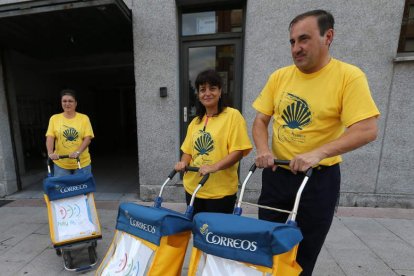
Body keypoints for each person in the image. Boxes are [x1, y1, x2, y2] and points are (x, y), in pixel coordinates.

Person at [252, 10, 380, 276]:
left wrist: (317, 153)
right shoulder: (279, 77)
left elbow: (367, 129)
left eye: (304, 39)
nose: (296, 48)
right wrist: (263, 150)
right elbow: (260, 120)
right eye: (292, 42)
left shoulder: (348, 76)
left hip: (318, 180)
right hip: (277, 175)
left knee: (304, 255)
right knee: (266, 246)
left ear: (328, 36)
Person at [175, 69, 252, 215]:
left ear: (220, 91)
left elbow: (238, 151)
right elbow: (187, 152)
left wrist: (214, 167)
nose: (207, 93)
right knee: (198, 231)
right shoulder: (195, 122)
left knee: (217, 235)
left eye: (212, 88)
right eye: (202, 90)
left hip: (220, 192)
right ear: (198, 95)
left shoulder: (232, 116)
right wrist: (183, 163)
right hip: (194, 188)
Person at [46, 89, 94, 177]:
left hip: (82, 163)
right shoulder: (54, 118)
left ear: (75, 103)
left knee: (84, 189)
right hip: (61, 164)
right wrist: (50, 153)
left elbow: (88, 138)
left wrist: (78, 152)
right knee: (62, 189)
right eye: (64, 101)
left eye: (70, 101)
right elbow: (50, 137)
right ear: (61, 102)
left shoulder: (84, 118)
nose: (67, 104)